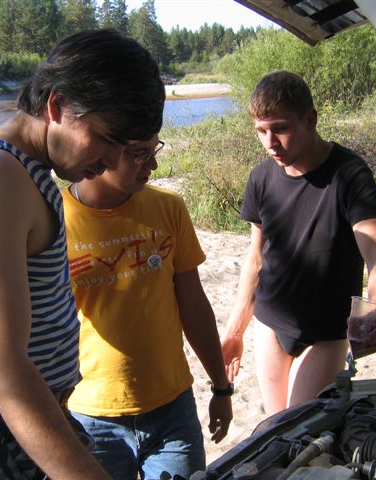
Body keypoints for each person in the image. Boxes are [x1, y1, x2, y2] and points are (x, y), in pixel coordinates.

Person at [0, 30, 164, 479]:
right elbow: (3, 367)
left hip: (25, 416)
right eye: (107, 138)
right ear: (57, 105)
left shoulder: (23, 168)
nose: (113, 162)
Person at [221, 71, 376, 415]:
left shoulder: (349, 174)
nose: (270, 142)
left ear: (310, 119)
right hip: (271, 322)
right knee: (278, 426)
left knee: (298, 425)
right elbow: (256, 258)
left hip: (326, 331)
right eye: (261, 131)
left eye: (280, 128)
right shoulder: (261, 178)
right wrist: (235, 331)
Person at [62, 135, 233, 480]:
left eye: (154, 150)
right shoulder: (55, 220)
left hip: (172, 411)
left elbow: (194, 305)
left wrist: (220, 386)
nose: (153, 164)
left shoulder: (168, 207)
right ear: (100, 150)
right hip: (88, 416)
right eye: (139, 154)